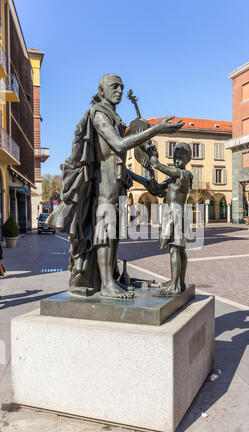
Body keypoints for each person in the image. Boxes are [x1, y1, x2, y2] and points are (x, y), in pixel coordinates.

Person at [47, 73, 184, 299]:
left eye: (121, 86)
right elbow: (119, 144)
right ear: (102, 91)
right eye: (114, 87)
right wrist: (156, 129)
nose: (119, 90)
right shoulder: (100, 114)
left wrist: (145, 181)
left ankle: (108, 278)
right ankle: (106, 284)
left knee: (115, 234)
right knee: (105, 233)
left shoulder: (115, 118)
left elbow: (120, 162)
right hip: (104, 187)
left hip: (117, 183)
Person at [150, 142, 193, 296]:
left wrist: (154, 160)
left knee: (174, 249)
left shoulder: (182, 174)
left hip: (174, 214)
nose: (177, 161)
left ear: (188, 159)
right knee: (180, 250)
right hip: (177, 213)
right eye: (175, 158)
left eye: (181, 158)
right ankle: (179, 282)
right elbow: (157, 188)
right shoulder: (174, 177)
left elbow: (161, 167)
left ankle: (174, 286)